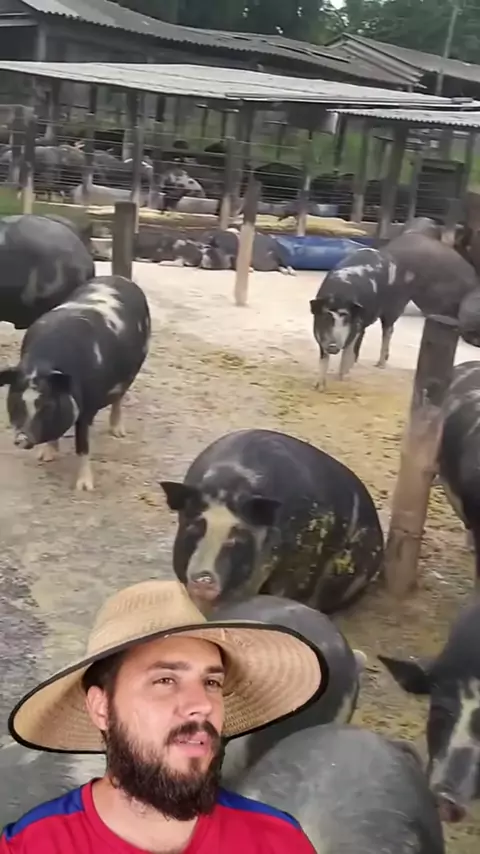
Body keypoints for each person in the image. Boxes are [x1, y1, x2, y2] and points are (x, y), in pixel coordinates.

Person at [1, 578, 327, 853]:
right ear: (102, 708)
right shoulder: (34, 846)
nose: (202, 704)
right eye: (165, 680)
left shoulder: (276, 842)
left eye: (212, 683)